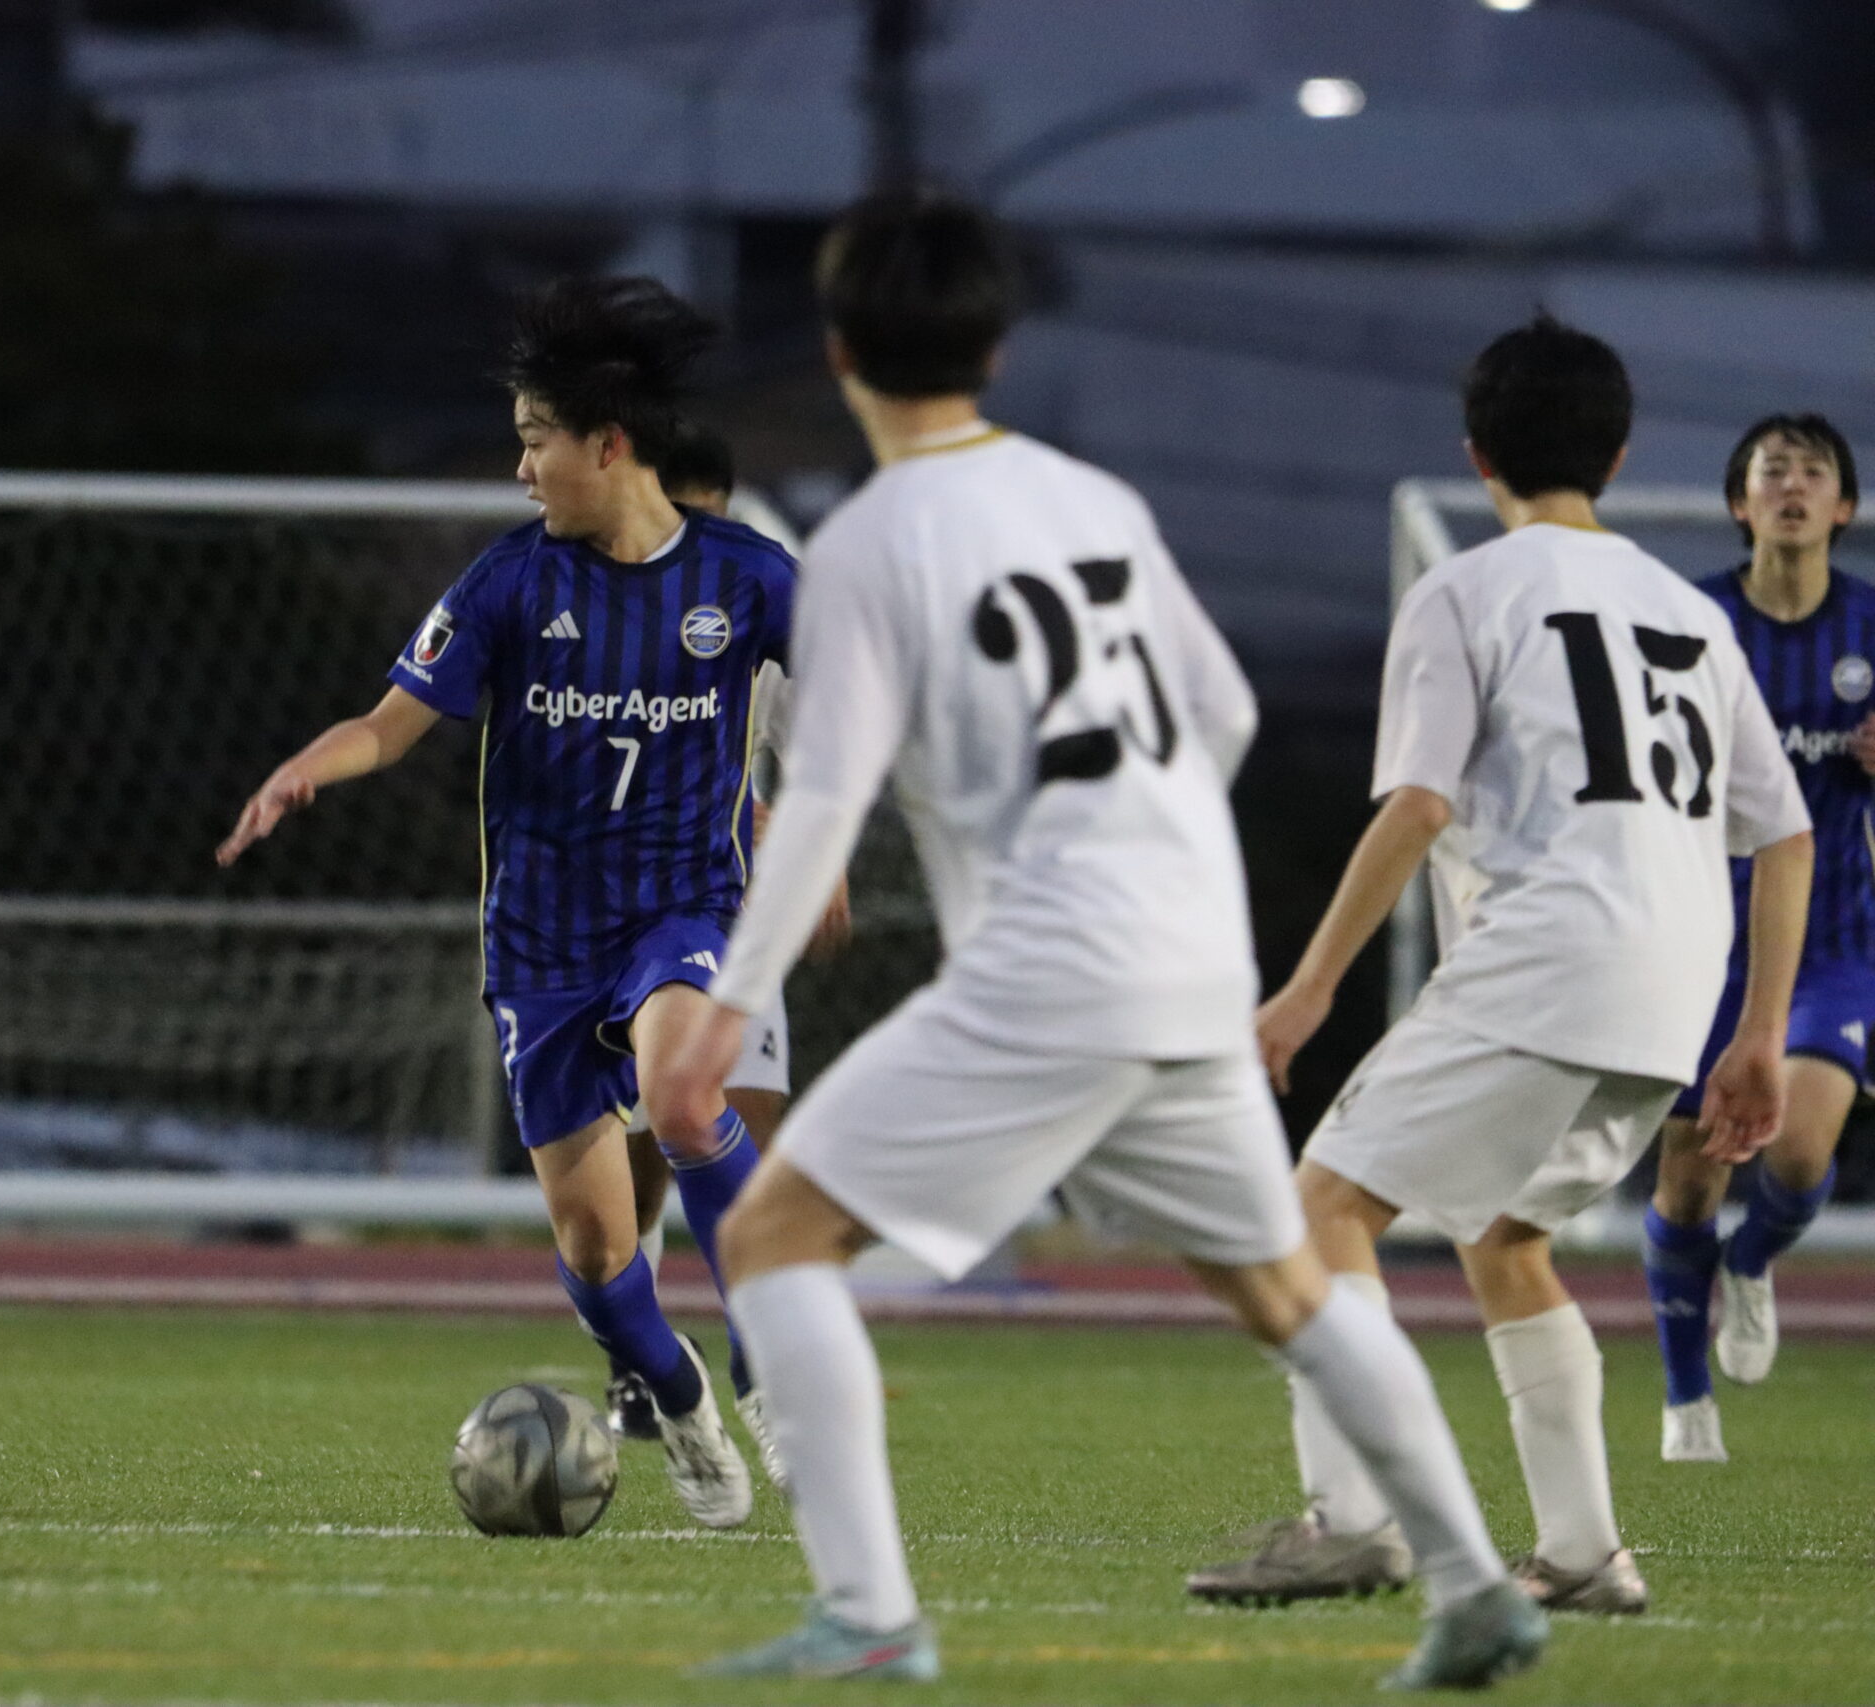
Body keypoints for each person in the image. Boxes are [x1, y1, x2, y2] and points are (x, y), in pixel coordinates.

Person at [653, 193, 1540, 1690]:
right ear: (997, 348)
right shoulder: (1091, 498)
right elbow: (1225, 709)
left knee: (773, 1237)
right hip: (1189, 948)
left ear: (840, 350)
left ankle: (870, 1618)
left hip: (1052, 965)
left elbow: (823, 796)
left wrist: (725, 1011)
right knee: (1284, 1292)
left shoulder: (866, 539)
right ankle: (1473, 1590)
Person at [1190, 317, 1812, 1617]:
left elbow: (1418, 805)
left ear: (1476, 455)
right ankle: (1584, 1554)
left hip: (1549, 957)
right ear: (1619, 454)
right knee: (1507, 1239)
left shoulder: (1466, 590)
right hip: (1671, 989)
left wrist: (1307, 989)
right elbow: (1786, 830)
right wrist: (1759, 1032)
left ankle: (1351, 1520)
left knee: (1318, 1211)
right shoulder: (1691, 612)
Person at [219, 277, 789, 1528]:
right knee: (596, 1254)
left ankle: (776, 1368)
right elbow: (389, 724)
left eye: (537, 439)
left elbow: (858, 687)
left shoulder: (749, 579)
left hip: (681, 909)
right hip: (541, 943)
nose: (521, 467)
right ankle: (676, 1393)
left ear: (609, 444)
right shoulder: (507, 585)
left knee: (684, 1097)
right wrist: (312, 763)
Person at [607, 423, 848, 1468]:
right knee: (636, 1155)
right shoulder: (595, 595)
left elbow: (815, 742)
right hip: (607, 911)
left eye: (715, 516)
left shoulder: (751, 592)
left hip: (726, 906)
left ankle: (762, 1368)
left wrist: (823, 849)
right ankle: (638, 1355)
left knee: (740, 1128)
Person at [1642, 414, 1867, 1462]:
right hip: (1701, 943)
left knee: (1801, 1145)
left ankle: (1752, 1259)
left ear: (1842, 507)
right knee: (1689, 1178)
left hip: (1833, 941)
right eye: (1771, 471)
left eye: (1812, 472)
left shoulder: (1870, 626)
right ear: (1740, 502)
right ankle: (1686, 1402)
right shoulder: (1690, 622)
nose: (1791, 485)